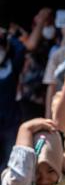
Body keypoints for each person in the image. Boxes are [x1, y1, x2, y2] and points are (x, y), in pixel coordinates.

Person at [16, 8, 57, 120]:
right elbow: (31, 45)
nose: (47, 24)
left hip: (49, 96)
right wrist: (41, 21)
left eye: (49, 21)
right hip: (30, 96)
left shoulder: (56, 41)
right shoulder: (25, 38)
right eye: (45, 21)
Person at [0, 27, 26, 176]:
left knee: (10, 160)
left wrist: (8, 36)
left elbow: (21, 49)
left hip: (11, 121)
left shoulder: (12, 65)